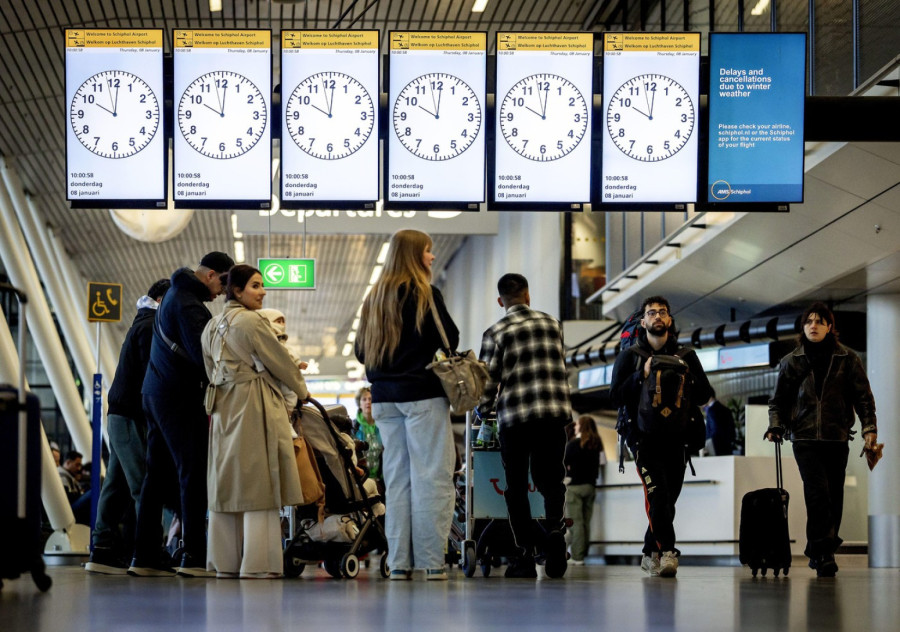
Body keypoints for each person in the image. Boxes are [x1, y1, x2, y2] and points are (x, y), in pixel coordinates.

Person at [354, 229, 458, 581]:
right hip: (423, 397)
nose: (431, 257)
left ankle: (398, 562)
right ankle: (431, 562)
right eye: (428, 251)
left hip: (384, 401)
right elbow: (451, 338)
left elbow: (359, 351)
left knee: (397, 481)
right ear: (415, 255)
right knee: (432, 478)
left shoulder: (374, 298)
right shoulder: (426, 294)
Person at [129, 251, 234, 578]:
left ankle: (143, 556)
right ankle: (193, 555)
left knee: (156, 477)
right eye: (223, 284)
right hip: (177, 397)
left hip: (155, 393)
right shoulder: (188, 304)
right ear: (211, 275)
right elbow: (205, 356)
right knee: (192, 472)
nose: (221, 293)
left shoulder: (174, 295)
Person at [202, 265, 308, 579]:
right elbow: (280, 361)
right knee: (259, 483)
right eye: (255, 285)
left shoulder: (211, 326)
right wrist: (301, 390)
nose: (262, 292)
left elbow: (209, 368)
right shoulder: (252, 323)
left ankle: (225, 562)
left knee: (227, 484)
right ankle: (258, 564)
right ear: (237, 291)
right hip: (254, 405)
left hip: (223, 406)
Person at [766, 302, 879, 577]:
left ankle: (819, 549)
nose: (813, 326)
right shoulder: (791, 361)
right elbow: (777, 402)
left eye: (819, 321)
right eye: (809, 322)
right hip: (804, 438)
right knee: (817, 493)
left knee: (834, 496)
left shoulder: (848, 359)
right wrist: (776, 426)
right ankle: (824, 552)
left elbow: (864, 398)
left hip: (836, 436)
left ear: (830, 327)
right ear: (803, 328)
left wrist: (869, 429)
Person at [609, 296, 712, 578]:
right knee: (658, 496)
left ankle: (648, 551)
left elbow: (704, 395)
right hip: (642, 438)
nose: (657, 316)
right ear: (642, 322)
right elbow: (615, 396)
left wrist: (687, 379)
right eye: (651, 313)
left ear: (669, 320)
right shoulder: (630, 357)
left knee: (668, 499)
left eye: (662, 312)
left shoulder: (687, 356)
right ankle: (668, 551)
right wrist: (640, 376)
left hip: (678, 438)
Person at [476, 273, 571, 579]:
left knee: (516, 488)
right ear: (528, 296)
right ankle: (555, 531)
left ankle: (525, 557)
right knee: (552, 480)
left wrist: (484, 412)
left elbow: (487, 382)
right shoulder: (553, 324)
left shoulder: (495, 332)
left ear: (500, 301)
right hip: (555, 414)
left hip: (516, 419)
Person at [86, 279, 171, 575]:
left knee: (118, 485)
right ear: (162, 300)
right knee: (143, 485)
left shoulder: (144, 322)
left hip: (123, 414)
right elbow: (155, 375)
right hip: (132, 415)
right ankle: (150, 552)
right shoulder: (150, 327)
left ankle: (102, 549)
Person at [564, 415, 606, 565]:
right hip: (590, 487)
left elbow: (563, 463)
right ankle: (583, 553)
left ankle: (577, 557)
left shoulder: (573, 444)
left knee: (576, 523)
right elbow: (602, 462)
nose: (574, 426)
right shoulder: (596, 443)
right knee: (586, 522)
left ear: (581, 426)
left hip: (574, 487)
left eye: (577, 425)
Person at [354, 386, 384, 485]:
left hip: (381, 480)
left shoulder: (383, 426)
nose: (368, 402)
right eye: (364, 399)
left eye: (371, 399)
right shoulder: (353, 427)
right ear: (359, 403)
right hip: (360, 480)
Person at [58, 450, 91, 525]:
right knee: (92, 493)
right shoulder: (62, 476)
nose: (79, 468)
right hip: (68, 510)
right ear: (68, 463)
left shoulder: (69, 476)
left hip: (72, 506)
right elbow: (67, 497)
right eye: (77, 465)